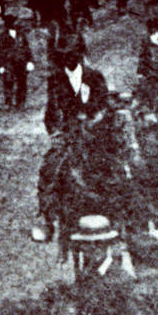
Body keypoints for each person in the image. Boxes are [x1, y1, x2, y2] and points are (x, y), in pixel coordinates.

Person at [34, 27, 110, 242]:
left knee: (117, 166)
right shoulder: (56, 79)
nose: (70, 59)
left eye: (74, 54)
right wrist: (55, 132)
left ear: (80, 53)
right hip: (69, 135)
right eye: (65, 55)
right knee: (50, 167)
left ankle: (129, 217)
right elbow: (51, 112)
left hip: (95, 134)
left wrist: (95, 121)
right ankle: (46, 218)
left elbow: (104, 104)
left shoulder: (94, 76)